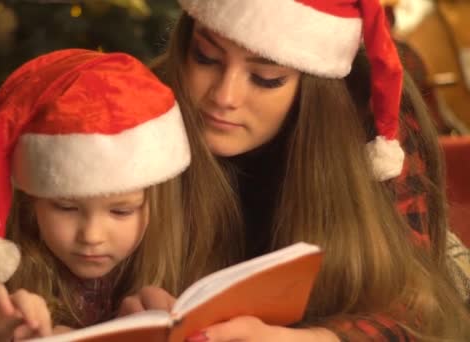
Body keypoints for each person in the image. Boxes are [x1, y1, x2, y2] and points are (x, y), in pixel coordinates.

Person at [119, 0, 470, 340]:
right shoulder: (140, 110)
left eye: (266, 77)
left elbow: (420, 310)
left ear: (317, 82)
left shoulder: (377, 125)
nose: (224, 96)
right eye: (206, 57)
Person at [0, 48, 226, 342]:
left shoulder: (177, 245)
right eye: (65, 208)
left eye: (121, 211)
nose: (91, 235)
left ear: (155, 205)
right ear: (32, 198)